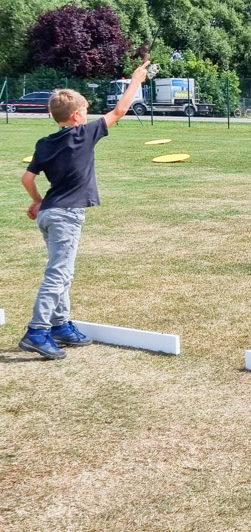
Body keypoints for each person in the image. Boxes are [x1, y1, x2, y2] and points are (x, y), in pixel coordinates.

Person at [18, 52, 152, 359]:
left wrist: (38, 201)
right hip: (66, 215)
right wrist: (135, 80)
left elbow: (27, 178)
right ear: (77, 116)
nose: (89, 114)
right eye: (87, 110)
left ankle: (60, 325)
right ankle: (37, 331)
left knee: (63, 271)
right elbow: (120, 110)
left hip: (50, 213)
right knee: (58, 274)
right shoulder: (84, 133)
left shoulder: (44, 143)